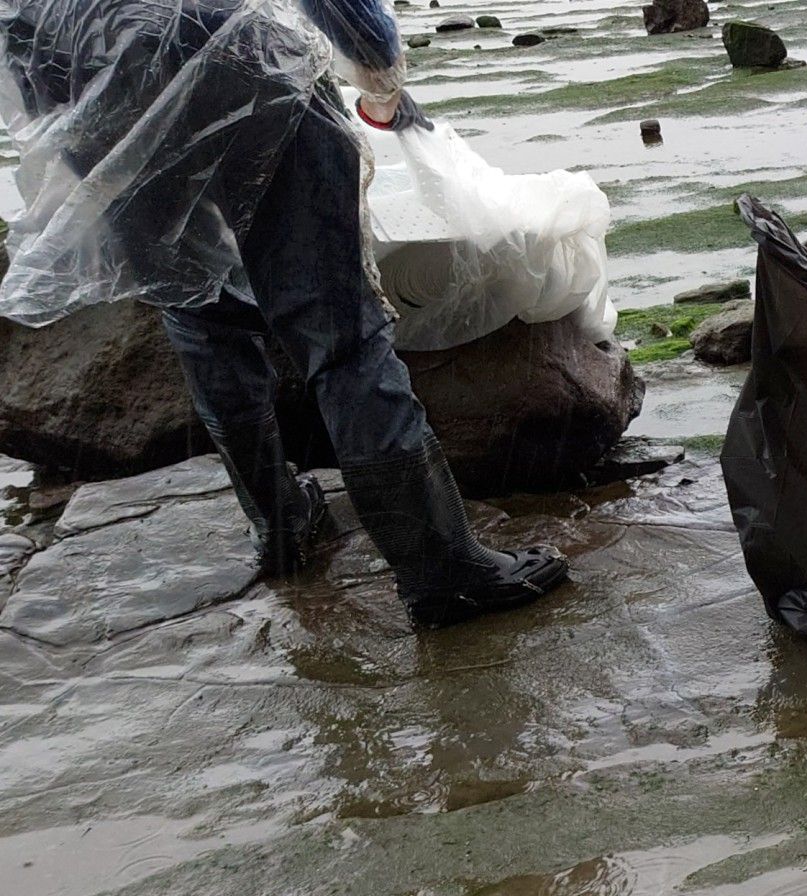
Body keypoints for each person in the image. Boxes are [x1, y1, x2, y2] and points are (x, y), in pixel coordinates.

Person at [0, 0, 566, 628]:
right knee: (340, 336)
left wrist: (79, 118)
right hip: (238, 57)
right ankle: (443, 574)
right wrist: (380, 77)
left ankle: (279, 523)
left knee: (195, 304)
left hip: (84, 80)